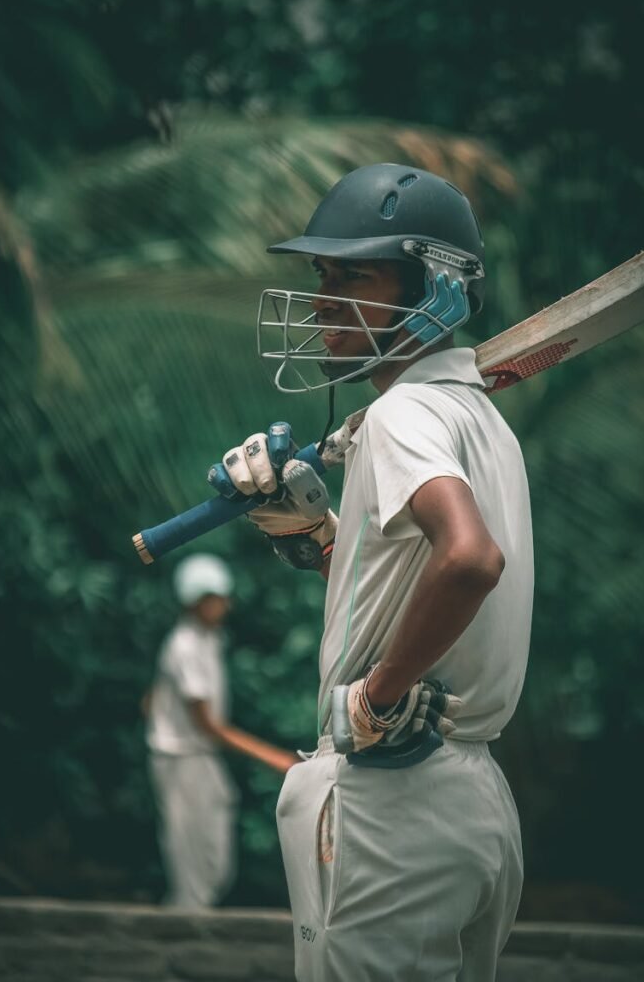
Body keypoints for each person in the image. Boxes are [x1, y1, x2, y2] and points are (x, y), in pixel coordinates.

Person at [208, 164, 534, 980]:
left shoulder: (401, 415)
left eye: (355, 272)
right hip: (472, 801)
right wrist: (316, 540)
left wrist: (377, 697)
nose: (323, 297)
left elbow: (468, 560)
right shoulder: (478, 419)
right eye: (322, 272)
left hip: (398, 801)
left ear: (435, 288)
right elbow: (413, 584)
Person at [144, 552, 297, 909]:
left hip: (198, 757)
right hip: (181, 758)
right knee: (192, 854)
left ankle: (193, 916)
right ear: (196, 600)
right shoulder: (184, 646)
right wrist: (274, 758)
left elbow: (151, 700)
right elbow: (207, 725)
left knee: (215, 845)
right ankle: (184, 930)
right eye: (216, 598)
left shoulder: (206, 640)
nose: (225, 605)